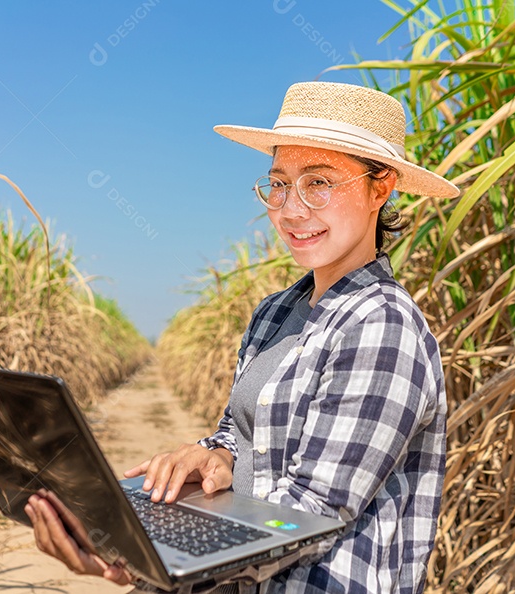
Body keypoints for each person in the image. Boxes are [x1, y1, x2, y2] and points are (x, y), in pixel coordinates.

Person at [26, 81, 458, 594]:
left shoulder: (383, 325)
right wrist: (215, 456)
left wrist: (141, 553)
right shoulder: (275, 314)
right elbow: (242, 434)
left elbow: (309, 515)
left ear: (380, 187)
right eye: (279, 184)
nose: (291, 210)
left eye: (319, 182)